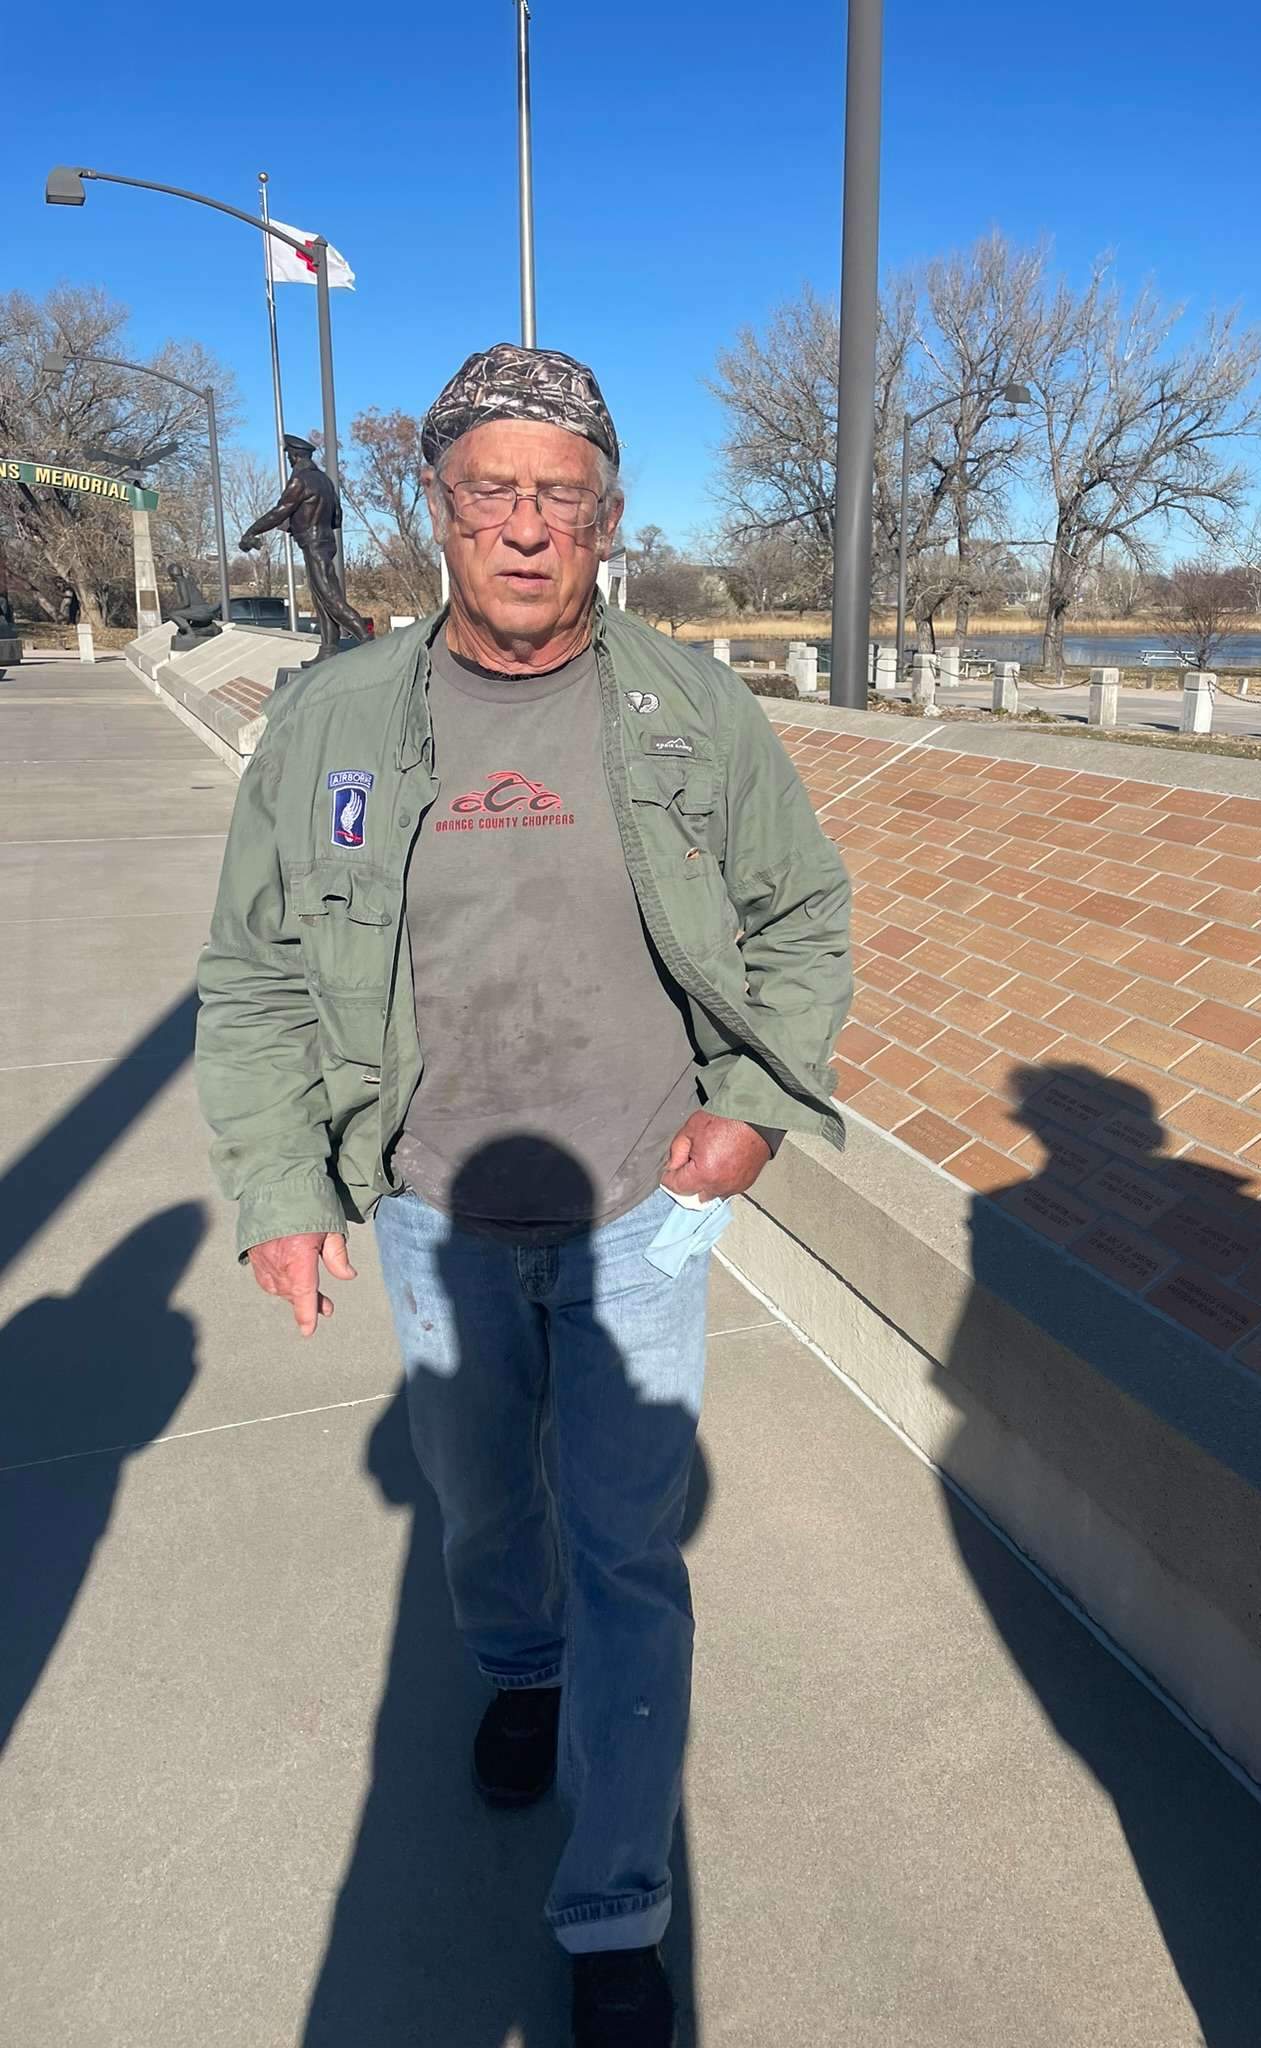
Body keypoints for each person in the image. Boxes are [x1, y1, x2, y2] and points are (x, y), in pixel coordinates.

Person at [196, 344, 852, 2047]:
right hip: (426, 1207)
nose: (527, 526)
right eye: (493, 490)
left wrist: (757, 1115)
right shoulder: (330, 721)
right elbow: (259, 970)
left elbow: (800, 917)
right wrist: (283, 1183)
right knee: (485, 1507)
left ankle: (615, 1902)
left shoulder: (692, 707)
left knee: (630, 1547)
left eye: (561, 495)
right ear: (437, 507)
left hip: (643, 1201)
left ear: (607, 517)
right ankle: (514, 1669)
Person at [237, 434, 372, 658]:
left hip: (313, 541)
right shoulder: (324, 480)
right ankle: (328, 647)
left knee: (328, 594)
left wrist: (252, 531)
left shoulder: (300, 480)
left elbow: (280, 511)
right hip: (326, 540)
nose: (289, 460)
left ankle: (366, 637)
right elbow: (338, 516)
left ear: (296, 455)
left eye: (290, 455)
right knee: (320, 597)